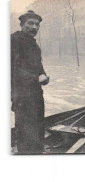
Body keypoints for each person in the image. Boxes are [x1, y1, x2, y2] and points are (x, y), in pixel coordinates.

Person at [11, 10, 49, 154]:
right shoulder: (14, 40)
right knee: (26, 134)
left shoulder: (35, 46)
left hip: (36, 95)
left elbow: (40, 69)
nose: (34, 27)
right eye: (30, 23)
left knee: (39, 129)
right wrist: (35, 78)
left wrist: (44, 77)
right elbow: (13, 70)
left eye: (37, 24)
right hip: (21, 95)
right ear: (22, 25)